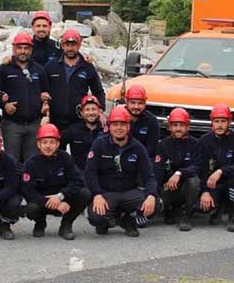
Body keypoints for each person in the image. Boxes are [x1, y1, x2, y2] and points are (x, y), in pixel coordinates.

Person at [84, 106, 158, 237]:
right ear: (109, 127)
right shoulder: (99, 144)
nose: (119, 128)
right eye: (115, 124)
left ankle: (129, 221)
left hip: (130, 192)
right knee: (96, 217)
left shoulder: (138, 147)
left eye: (122, 124)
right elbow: (90, 172)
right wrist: (97, 195)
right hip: (107, 193)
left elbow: (149, 176)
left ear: (128, 127)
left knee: (156, 205)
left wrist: (151, 195)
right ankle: (109, 221)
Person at [22, 124, 91, 240]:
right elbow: (28, 191)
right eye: (44, 142)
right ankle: (40, 223)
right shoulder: (30, 163)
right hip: (42, 201)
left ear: (58, 144)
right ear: (38, 144)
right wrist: (50, 201)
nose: (48, 146)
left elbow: (77, 181)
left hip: (63, 199)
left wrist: (60, 197)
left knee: (85, 194)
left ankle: (66, 224)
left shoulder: (66, 158)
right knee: (31, 208)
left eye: (52, 142)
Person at [0, 32, 50, 169]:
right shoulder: (4, 69)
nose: (23, 51)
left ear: (31, 50)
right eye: (19, 48)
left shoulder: (39, 70)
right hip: (12, 124)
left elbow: (46, 93)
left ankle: (29, 190)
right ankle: (12, 190)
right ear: (14, 49)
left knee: (33, 163)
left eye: (26, 48)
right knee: (11, 163)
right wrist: (4, 105)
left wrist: (45, 104)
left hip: (34, 124)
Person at [198, 104, 234, 232]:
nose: (220, 125)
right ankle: (217, 209)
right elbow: (201, 168)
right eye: (217, 121)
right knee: (201, 207)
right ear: (212, 122)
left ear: (230, 122)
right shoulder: (204, 141)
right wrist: (204, 191)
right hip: (213, 184)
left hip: (231, 182)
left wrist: (221, 171)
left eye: (223, 121)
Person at [45, 29, 105, 132]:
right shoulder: (51, 66)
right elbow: (42, 89)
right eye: (67, 45)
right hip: (55, 120)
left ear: (79, 45)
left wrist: (100, 111)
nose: (70, 48)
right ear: (62, 46)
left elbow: (98, 91)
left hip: (79, 121)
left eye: (73, 45)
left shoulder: (87, 67)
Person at [155, 108, 201, 232]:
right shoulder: (162, 145)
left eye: (182, 125)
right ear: (169, 127)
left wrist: (179, 173)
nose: (178, 128)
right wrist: (157, 191)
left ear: (187, 127)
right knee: (153, 207)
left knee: (194, 181)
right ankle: (169, 209)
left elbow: (197, 167)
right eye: (175, 125)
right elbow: (158, 170)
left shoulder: (195, 144)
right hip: (168, 187)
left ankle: (187, 215)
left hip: (186, 186)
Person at [60, 95, 105, 171]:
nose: (91, 113)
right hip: (79, 174)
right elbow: (57, 143)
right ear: (81, 112)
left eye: (93, 109)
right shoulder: (73, 129)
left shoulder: (106, 130)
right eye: (87, 109)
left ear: (99, 111)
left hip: (100, 174)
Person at [125, 85, 160, 158]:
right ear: (126, 101)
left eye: (140, 103)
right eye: (133, 103)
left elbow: (152, 148)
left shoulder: (152, 121)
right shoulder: (117, 118)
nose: (136, 106)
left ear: (145, 102)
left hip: (143, 160)